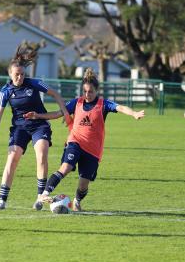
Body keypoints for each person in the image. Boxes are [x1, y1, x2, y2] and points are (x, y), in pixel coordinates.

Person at [24, 68, 145, 211]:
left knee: (83, 184)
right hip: (75, 142)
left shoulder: (103, 104)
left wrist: (134, 113)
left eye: (90, 92)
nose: (87, 95)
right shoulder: (77, 103)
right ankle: (44, 194)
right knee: (65, 168)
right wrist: (37, 115)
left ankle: (77, 200)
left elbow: (121, 108)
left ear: (97, 91)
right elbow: (58, 113)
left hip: (93, 150)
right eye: (85, 91)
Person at [0, 44, 71, 211]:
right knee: (12, 159)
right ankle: (2, 200)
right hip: (19, 128)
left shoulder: (34, 83)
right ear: (10, 74)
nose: (20, 77)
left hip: (39, 125)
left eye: (22, 74)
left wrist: (65, 113)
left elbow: (55, 93)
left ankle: (40, 197)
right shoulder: (6, 91)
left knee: (41, 155)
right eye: (16, 75)